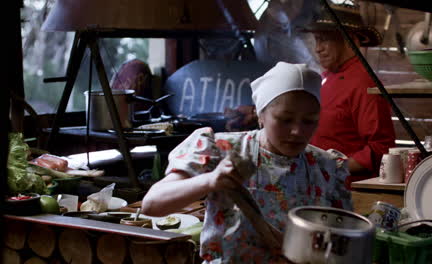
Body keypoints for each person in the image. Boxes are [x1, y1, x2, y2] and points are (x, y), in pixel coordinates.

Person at [142, 62, 352, 263]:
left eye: (309, 121)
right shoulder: (222, 149)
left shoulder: (327, 167)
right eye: (285, 119)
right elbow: (152, 205)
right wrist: (210, 181)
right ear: (261, 114)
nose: (297, 131)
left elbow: (344, 243)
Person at [304, 3, 396, 179]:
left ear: (349, 39)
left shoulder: (364, 83)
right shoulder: (327, 77)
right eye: (316, 40)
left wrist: (332, 168)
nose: (318, 48)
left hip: (343, 189)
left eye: (324, 39)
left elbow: (380, 148)